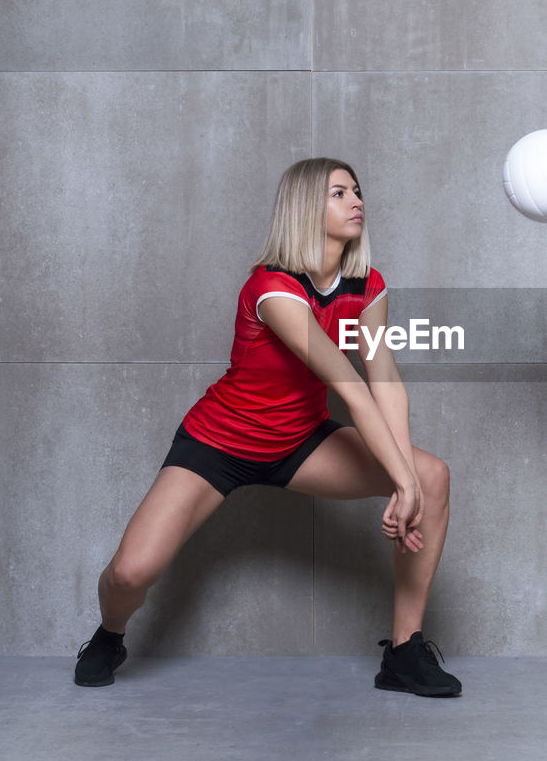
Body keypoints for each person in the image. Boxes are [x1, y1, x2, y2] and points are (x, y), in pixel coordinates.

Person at [74, 157, 460, 697]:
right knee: (129, 575)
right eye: (338, 193)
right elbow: (345, 383)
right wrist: (400, 480)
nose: (356, 201)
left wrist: (412, 481)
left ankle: (403, 652)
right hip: (218, 443)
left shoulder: (366, 284)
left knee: (433, 476)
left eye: (357, 191)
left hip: (301, 443)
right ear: (306, 207)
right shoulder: (272, 287)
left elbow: (382, 376)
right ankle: (110, 633)